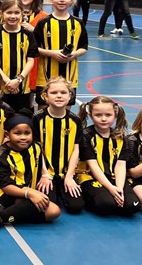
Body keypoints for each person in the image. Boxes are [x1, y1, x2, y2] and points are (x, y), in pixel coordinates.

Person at [0, 109, 60, 232]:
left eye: (27, 133)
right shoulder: (1, 155)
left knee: (52, 208)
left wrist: (45, 175)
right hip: (6, 191)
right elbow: (6, 187)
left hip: (28, 187)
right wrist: (30, 193)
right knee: (52, 210)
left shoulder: (35, 147)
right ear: (7, 134)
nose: (23, 137)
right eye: (17, 133)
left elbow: (40, 163)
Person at [76, 96, 141, 216]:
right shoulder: (86, 136)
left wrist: (119, 189)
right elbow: (93, 166)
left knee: (132, 206)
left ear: (115, 115)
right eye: (98, 115)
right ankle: (87, 196)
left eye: (108, 115)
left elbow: (120, 165)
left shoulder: (121, 137)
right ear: (90, 116)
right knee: (106, 204)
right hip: (91, 177)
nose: (103, 119)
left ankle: (114, 195)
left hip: (114, 177)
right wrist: (111, 188)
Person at [32, 77, 85, 213]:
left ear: (70, 96)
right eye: (54, 93)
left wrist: (70, 176)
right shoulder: (37, 118)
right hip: (45, 172)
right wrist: (44, 174)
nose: (59, 96)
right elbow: (36, 149)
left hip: (66, 172)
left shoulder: (75, 120)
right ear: (45, 96)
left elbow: (76, 150)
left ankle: (65, 184)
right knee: (48, 203)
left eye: (63, 92)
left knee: (76, 206)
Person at [33, 0, 88, 108]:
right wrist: (52, 53)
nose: (62, 0)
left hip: (70, 76)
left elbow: (84, 47)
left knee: (66, 111)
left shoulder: (78, 23)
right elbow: (34, 48)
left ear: (72, 0)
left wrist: (74, 54)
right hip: (45, 76)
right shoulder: (43, 23)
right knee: (44, 110)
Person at [0, 0, 39, 111]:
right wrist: (7, 81)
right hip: (1, 86)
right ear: (1, 13)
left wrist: (18, 80)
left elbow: (31, 60)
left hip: (22, 86)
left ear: (22, 13)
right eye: (9, 12)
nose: (13, 16)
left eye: (16, 13)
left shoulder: (28, 35)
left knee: (21, 118)